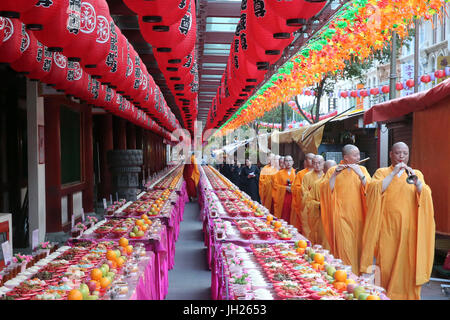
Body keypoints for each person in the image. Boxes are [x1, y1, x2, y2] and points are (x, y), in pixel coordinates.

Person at [359, 142, 435, 300]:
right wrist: (393, 173)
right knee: (386, 264)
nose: (402, 156)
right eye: (398, 153)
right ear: (391, 154)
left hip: (409, 229)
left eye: (405, 153)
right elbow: (374, 190)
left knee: (408, 265)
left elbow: (425, 194)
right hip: (387, 228)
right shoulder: (382, 172)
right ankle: (385, 295)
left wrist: (417, 182)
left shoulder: (415, 173)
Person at [319, 144, 371, 275]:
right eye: (355, 155)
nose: (358, 157)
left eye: (358, 155)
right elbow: (325, 190)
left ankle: (357, 278)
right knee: (345, 249)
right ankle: (346, 277)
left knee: (358, 249)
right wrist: (335, 175)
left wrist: (361, 175)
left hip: (359, 217)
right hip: (340, 216)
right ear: (346, 157)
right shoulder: (333, 170)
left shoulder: (362, 170)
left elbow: (371, 190)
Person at [302, 159, 336, 249]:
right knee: (326, 244)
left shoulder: (343, 183)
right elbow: (309, 201)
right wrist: (319, 205)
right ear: (324, 171)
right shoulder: (317, 184)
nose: (332, 172)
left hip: (340, 220)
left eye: (334, 170)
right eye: (330, 170)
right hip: (323, 220)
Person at [298, 155, 325, 240]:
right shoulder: (307, 176)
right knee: (309, 230)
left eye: (319, 163)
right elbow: (304, 192)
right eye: (314, 163)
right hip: (311, 208)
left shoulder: (327, 176)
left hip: (325, 209)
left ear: (323, 163)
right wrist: (316, 203)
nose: (317, 165)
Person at [291, 153, 315, 232]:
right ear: (305, 161)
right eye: (310, 159)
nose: (312, 161)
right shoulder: (301, 174)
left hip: (315, 205)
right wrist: (306, 190)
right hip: (304, 204)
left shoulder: (321, 173)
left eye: (313, 159)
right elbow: (295, 188)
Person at [273, 155, 296, 222]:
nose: (288, 162)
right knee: (284, 214)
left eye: (290, 161)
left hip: (293, 197)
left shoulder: (296, 173)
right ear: (284, 162)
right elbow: (275, 186)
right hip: (283, 198)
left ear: (293, 162)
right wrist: (285, 188)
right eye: (286, 161)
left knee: (292, 215)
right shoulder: (279, 173)